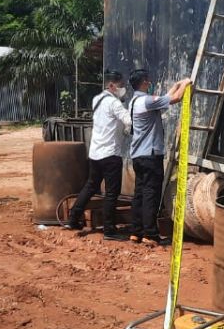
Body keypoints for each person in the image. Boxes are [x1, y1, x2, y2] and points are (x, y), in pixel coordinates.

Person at [127, 70, 192, 245]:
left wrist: (176, 85)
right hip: (150, 155)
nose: (150, 83)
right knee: (151, 194)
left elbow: (165, 98)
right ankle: (150, 234)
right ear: (144, 83)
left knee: (139, 194)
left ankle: (136, 232)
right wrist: (186, 83)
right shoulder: (147, 101)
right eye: (148, 81)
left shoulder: (135, 102)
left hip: (138, 156)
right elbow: (176, 99)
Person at [65, 71, 132, 240]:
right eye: (121, 85)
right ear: (111, 86)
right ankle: (109, 230)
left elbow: (109, 122)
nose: (122, 88)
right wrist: (128, 129)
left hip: (95, 152)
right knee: (111, 193)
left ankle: (72, 219)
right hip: (110, 154)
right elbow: (129, 120)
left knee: (91, 186)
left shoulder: (97, 100)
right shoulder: (114, 103)